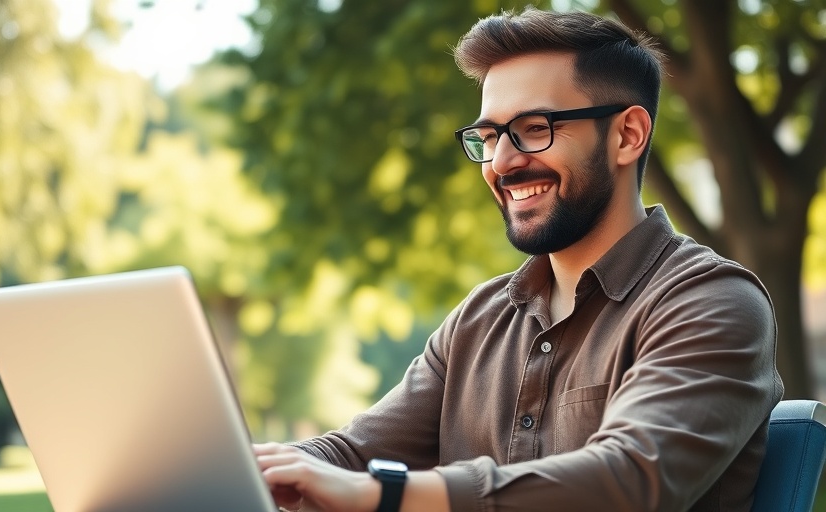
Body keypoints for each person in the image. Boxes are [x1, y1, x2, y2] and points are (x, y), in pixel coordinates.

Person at [255, 6, 784, 512]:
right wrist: (261, 467)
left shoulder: (712, 302)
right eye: (489, 137)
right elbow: (350, 455)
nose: (502, 162)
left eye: (535, 128)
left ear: (628, 135)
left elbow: (629, 481)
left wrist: (381, 495)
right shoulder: (478, 319)